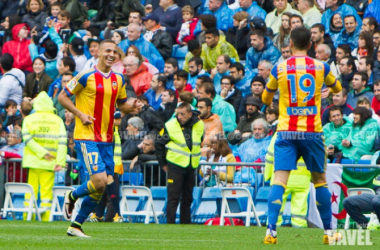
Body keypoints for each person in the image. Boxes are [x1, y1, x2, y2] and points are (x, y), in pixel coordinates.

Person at [261, 26, 342, 244]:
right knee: (320, 182)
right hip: (312, 131)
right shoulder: (321, 67)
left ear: (290, 45)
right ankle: (329, 233)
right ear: (311, 44)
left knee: (279, 181)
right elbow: (337, 88)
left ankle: (271, 231)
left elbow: (266, 99)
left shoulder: (279, 68)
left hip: (287, 131)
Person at [58, 39, 141, 237]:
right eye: (108, 51)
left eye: (115, 51)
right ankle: (72, 195)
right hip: (87, 136)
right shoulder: (85, 76)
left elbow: (121, 106)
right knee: (100, 180)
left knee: (100, 186)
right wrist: (80, 115)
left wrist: (133, 107)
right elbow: (62, 96)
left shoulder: (119, 79)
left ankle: (76, 225)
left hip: (107, 139)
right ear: (99, 53)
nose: (111, 54)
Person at [155, 102, 204, 224]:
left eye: (182, 114)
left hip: (192, 165)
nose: (179, 117)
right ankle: (170, 223)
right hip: (175, 165)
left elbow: (199, 141)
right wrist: (163, 164)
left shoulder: (199, 124)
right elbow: (158, 144)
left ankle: (185, 224)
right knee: (173, 197)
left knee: (188, 198)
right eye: (178, 114)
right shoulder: (170, 125)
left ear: (190, 114)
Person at [22, 91, 67, 221]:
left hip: (33, 162)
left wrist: (41, 153)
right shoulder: (57, 120)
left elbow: (27, 139)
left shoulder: (29, 119)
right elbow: (63, 142)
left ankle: (27, 217)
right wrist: (60, 161)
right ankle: (46, 218)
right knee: (46, 194)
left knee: (30, 192)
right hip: (50, 163)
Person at [264, 132, 311, 228]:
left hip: (281, 177)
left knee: (277, 204)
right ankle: (299, 231)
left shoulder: (280, 132)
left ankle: (272, 229)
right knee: (299, 211)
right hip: (303, 178)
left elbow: (270, 156)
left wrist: (267, 176)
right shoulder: (308, 132)